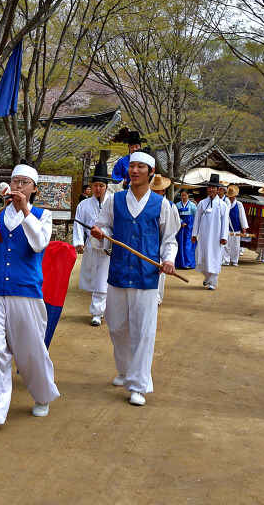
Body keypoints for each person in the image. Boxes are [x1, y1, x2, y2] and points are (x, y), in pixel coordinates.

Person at [0, 162, 59, 434]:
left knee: (30, 349)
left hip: (26, 291)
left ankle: (42, 394)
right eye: (15, 182)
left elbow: (39, 243)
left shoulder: (43, 215)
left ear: (34, 189)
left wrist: (24, 210)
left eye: (24, 183)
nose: (18, 187)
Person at [91, 151, 179, 406]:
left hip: (146, 276)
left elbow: (169, 239)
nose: (135, 170)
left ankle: (138, 384)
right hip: (118, 272)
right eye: (132, 166)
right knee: (117, 326)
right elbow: (104, 226)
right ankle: (126, 369)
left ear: (151, 172)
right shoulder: (114, 200)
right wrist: (100, 233)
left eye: (141, 166)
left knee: (143, 330)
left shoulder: (162, 205)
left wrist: (169, 259)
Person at [73, 163, 114, 326]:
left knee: (104, 280)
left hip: (107, 247)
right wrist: (78, 242)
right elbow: (77, 224)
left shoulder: (112, 203)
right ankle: (99, 311)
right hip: (91, 246)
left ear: (106, 186)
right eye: (95, 185)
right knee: (94, 279)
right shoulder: (83, 205)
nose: (98, 188)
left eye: (101, 185)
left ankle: (99, 312)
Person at [192, 173, 229, 291]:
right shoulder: (202, 203)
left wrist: (224, 237)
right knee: (201, 257)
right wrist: (194, 234)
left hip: (216, 237)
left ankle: (212, 282)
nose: (211, 189)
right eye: (210, 187)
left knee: (214, 257)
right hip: (203, 236)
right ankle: (207, 277)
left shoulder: (222, 205)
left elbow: (225, 222)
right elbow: (196, 219)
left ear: (218, 190)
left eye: (214, 187)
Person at [150, 174, 179, 306]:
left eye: (158, 190)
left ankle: (157, 298)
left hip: (163, 240)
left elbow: (176, 224)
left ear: (163, 191)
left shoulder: (170, 205)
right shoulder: (148, 204)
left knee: (160, 273)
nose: (156, 192)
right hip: (151, 242)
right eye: (153, 189)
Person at [224, 185, 249, 267]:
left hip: (236, 226)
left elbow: (242, 216)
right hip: (226, 227)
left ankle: (234, 260)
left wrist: (244, 227)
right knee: (226, 244)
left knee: (235, 245)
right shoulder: (225, 203)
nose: (231, 198)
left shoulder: (239, 204)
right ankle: (226, 260)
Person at [174, 188, 197, 269]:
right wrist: (180, 222)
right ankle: (181, 263)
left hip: (189, 227)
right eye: (182, 195)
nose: (184, 197)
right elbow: (175, 215)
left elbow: (196, 216)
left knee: (188, 244)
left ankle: (188, 263)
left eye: (185, 195)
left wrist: (194, 226)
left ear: (188, 195)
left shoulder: (192, 205)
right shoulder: (177, 205)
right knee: (180, 244)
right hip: (181, 227)